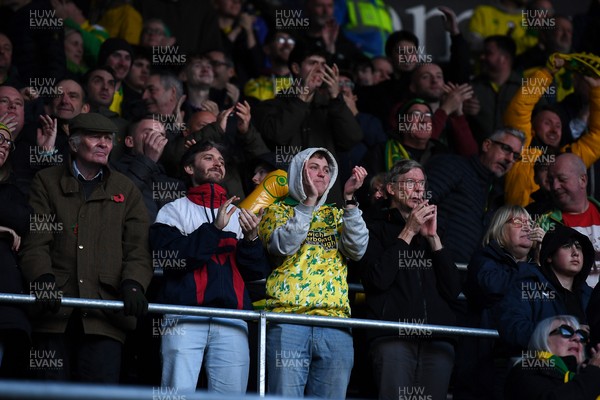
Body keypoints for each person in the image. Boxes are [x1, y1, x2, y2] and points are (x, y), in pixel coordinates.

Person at [19, 112, 153, 382]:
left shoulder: (126, 189)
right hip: (54, 312)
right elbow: (36, 240)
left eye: (108, 138)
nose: (104, 144)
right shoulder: (46, 181)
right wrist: (42, 278)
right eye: (95, 137)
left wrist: (134, 284)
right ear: (73, 144)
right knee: (49, 395)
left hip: (106, 316)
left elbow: (138, 249)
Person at [149, 140, 269, 394]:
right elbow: (171, 257)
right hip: (184, 315)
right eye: (208, 158)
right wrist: (214, 229)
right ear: (189, 168)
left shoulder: (240, 214)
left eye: (221, 161)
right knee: (176, 395)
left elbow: (255, 274)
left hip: (232, 318)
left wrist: (251, 240)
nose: (218, 164)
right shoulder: (173, 210)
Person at [258, 147, 368, 398]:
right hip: (288, 320)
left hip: (335, 322)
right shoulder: (276, 210)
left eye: (326, 170)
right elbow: (283, 246)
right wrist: (308, 202)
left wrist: (349, 199)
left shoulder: (338, 214)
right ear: (298, 172)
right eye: (313, 167)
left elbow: (358, 249)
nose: (321, 174)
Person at [358, 159, 461, 400]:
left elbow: (453, 289)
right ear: (391, 189)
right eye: (410, 183)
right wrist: (408, 232)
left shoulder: (436, 231)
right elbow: (376, 280)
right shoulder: (373, 228)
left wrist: (433, 238)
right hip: (393, 335)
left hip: (437, 337)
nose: (418, 189)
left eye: (422, 184)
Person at [252, 43, 363, 206]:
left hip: (326, 201)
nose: (319, 69)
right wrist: (302, 98)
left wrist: (335, 98)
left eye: (323, 65)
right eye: (312, 63)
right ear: (296, 68)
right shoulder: (272, 106)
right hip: (285, 200)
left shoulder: (331, 106)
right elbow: (278, 136)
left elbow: (352, 138)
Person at [459, 205, 544, 399]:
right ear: (499, 228)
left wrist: (541, 260)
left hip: (530, 359)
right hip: (489, 360)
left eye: (530, 223)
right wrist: (535, 269)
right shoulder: (484, 258)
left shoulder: (537, 265)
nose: (527, 228)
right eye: (518, 222)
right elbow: (493, 287)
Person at [502, 55, 600, 207]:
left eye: (558, 125)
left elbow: (598, 137)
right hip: (516, 224)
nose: (554, 129)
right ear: (533, 127)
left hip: (556, 227)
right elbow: (520, 108)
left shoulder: (570, 157)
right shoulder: (520, 149)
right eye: (547, 123)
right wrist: (547, 73)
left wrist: (596, 89)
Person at [426, 127, 525, 264]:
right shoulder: (454, 166)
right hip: (429, 265)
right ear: (487, 145)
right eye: (506, 149)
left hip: (458, 276)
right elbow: (420, 202)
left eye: (515, 156)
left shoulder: (495, 196)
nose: (510, 159)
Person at [496, 224, 594, 351]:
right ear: (549, 256)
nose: (575, 253)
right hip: (541, 367)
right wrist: (560, 332)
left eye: (579, 247)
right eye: (566, 246)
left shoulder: (590, 295)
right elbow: (512, 327)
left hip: (584, 367)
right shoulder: (528, 286)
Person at [505, 315, 600, 399]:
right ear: (543, 339)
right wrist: (593, 372)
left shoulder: (586, 374)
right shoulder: (526, 369)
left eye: (581, 335)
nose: (577, 338)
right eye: (566, 331)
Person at [0, 120, 31, 378]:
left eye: (6, 142)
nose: (2, 146)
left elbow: (24, 221)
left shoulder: (12, 190)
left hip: (7, 306)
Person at [110, 117, 185, 222]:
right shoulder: (112, 170)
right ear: (130, 141)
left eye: (161, 135)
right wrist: (148, 160)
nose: (155, 138)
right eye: (148, 133)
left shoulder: (170, 178)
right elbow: (118, 202)